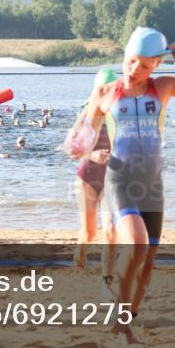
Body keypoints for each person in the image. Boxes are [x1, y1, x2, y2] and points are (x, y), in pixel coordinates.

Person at [68, 27, 175, 344]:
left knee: (147, 265)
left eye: (146, 65)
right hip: (120, 178)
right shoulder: (106, 94)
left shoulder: (163, 87)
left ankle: (124, 319)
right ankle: (121, 320)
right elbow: (77, 140)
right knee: (136, 244)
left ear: (156, 67)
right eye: (133, 61)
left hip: (152, 184)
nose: (137, 70)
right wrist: (87, 150)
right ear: (125, 57)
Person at [72, 68, 118, 274]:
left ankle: (107, 275)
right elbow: (73, 148)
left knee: (111, 229)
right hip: (88, 176)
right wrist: (92, 155)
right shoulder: (86, 113)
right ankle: (80, 248)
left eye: (112, 88)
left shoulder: (120, 114)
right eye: (104, 88)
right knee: (90, 233)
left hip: (111, 178)